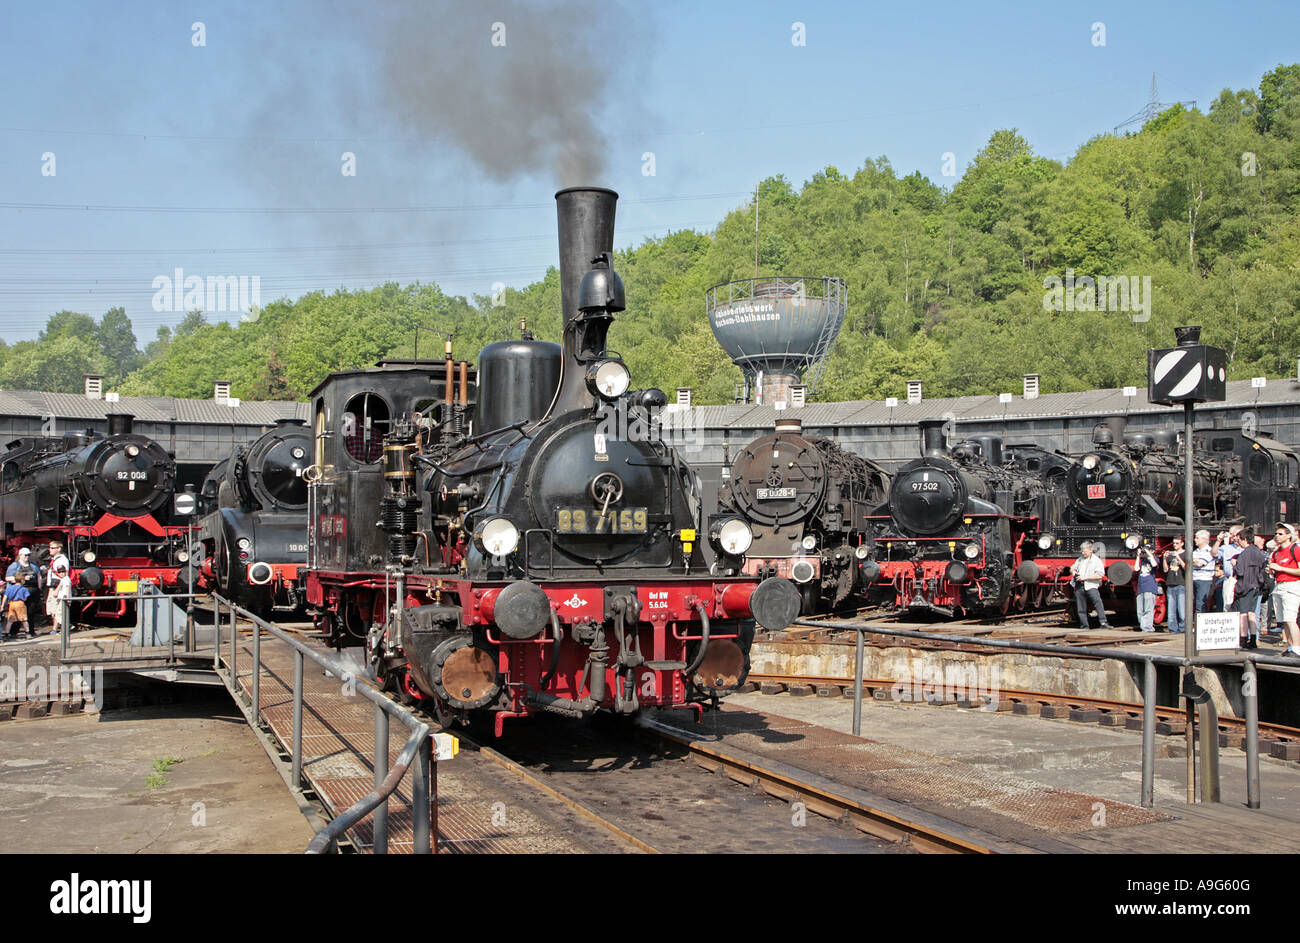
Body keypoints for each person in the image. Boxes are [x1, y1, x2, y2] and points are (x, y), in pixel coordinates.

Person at [1267, 523, 1300, 657]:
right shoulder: (1276, 552)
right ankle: (1291, 647)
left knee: (1291, 618)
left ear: (1289, 536)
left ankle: (1297, 648)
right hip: (1279, 585)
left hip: (1292, 585)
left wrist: (1281, 569)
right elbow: (1275, 572)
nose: (1277, 536)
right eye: (1276, 533)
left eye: (1281, 534)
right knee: (1284, 619)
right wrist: (1272, 571)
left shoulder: (1295, 549)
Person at [1233, 528, 1268, 649]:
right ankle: (1253, 639)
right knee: (1252, 613)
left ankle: (1243, 640)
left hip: (1245, 586)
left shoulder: (1243, 554)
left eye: (1240, 540)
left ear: (1245, 540)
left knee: (1243, 614)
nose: (1239, 543)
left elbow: (1240, 572)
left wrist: (1234, 564)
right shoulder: (1259, 553)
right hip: (1256, 586)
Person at [1071, 541, 1110, 629]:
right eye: (1082, 551)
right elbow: (1072, 567)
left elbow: (1100, 575)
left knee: (1098, 602)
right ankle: (1084, 625)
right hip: (1079, 586)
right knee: (1081, 607)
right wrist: (1073, 571)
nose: (1083, 553)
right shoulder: (1080, 559)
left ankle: (1103, 622)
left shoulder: (1096, 560)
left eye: (1084, 551)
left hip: (1091, 585)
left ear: (1090, 550)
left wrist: (1085, 578)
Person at [1133, 543, 1161, 633]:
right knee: (1140, 610)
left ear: (1152, 551)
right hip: (1141, 588)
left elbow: (1154, 565)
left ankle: (1147, 628)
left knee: (1148, 609)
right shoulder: (1143, 561)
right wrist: (1138, 556)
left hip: (1150, 587)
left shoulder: (1155, 559)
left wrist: (1149, 554)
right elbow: (1136, 568)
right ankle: (1143, 626)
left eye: (1148, 549)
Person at [1163, 535, 1187, 633]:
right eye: (1173, 543)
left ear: (1182, 543)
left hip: (1181, 584)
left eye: (1177, 543)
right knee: (1171, 610)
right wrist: (1164, 559)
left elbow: (1186, 568)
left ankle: (1183, 629)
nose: (1175, 545)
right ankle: (1173, 629)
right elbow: (1165, 570)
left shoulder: (1185, 554)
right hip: (1171, 584)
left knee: (1182, 610)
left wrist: (1178, 557)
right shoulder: (1170, 555)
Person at [1191, 529, 1216, 614]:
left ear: (1204, 539)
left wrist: (1193, 561)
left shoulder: (1209, 551)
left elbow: (1199, 564)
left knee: (1200, 604)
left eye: (1197, 538)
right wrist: (1194, 561)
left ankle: (1200, 625)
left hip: (1204, 580)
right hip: (1194, 578)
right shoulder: (1195, 551)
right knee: (1194, 603)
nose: (1195, 540)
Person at [46, 561, 71, 637]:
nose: (62, 573)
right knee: (58, 614)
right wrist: (56, 592)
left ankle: (66, 627)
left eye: (63, 571)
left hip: (64, 600)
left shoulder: (66, 579)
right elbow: (59, 587)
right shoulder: (63, 579)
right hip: (61, 599)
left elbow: (67, 588)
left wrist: (66, 598)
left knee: (59, 614)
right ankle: (63, 628)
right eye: (60, 572)